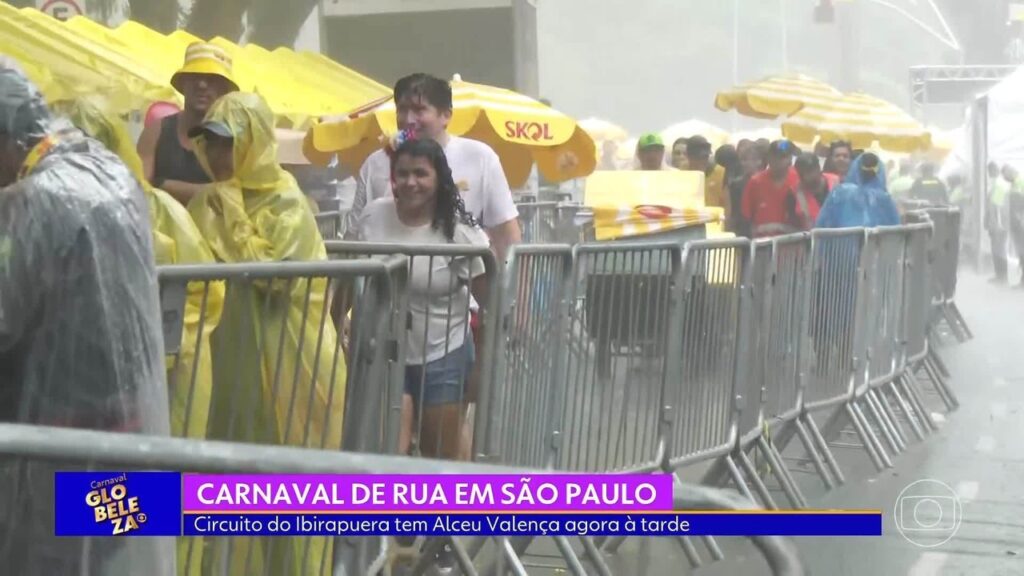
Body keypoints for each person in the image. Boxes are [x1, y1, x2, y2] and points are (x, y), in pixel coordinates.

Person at [0, 63, 172, 575]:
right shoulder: (111, 172)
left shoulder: (40, 199)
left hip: (60, 448)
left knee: (50, 562)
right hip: (125, 433)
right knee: (104, 554)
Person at [62, 96, 224, 576]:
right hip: (83, 390)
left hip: (160, 382)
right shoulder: (44, 210)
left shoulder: (158, 211)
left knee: (152, 494)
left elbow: (204, 293)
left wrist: (158, 349)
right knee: (88, 502)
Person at [187, 92, 344, 575]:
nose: (216, 157)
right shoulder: (204, 202)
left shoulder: (288, 203)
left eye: (226, 145)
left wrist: (233, 208)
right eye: (210, 146)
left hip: (294, 366)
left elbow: (276, 278)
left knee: (294, 493)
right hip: (232, 365)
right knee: (224, 491)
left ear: (253, 143)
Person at [358, 136, 489, 459]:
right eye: (402, 174)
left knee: (439, 453)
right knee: (390, 450)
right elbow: (354, 272)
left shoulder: (460, 233)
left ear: (439, 179)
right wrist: (336, 325)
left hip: (444, 353)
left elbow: (490, 299)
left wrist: (479, 370)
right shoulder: (374, 216)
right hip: (389, 351)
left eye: (420, 173)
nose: (410, 182)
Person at [343, 73, 520, 263]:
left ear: (446, 115)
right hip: (386, 287)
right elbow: (353, 236)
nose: (409, 120)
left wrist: (513, 290)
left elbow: (506, 234)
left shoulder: (480, 157)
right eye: (402, 110)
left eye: (419, 110)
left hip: (460, 283)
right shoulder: (375, 163)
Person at [137, 42, 239, 205]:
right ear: (183, 83)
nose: (202, 85)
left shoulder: (233, 142)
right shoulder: (156, 131)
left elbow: (228, 198)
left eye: (211, 79)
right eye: (195, 77)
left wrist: (162, 184)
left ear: (224, 89)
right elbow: (139, 188)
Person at [741, 140, 819, 238]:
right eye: (778, 157)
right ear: (769, 158)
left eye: (785, 157)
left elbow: (809, 216)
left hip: (793, 243)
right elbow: (746, 216)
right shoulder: (755, 182)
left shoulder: (799, 179)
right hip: (762, 244)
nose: (783, 161)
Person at [816, 152, 900, 229]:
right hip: (876, 245)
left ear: (856, 168)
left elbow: (823, 224)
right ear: (880, 172)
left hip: (840, 244)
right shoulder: (885, 199)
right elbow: (895, 231)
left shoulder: (839, 193)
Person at [729, 141, 766, 236]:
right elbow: (734, 211)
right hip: (742, 229)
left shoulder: (766, 182)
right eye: (743, 160)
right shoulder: (736, 184)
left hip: (762, 228)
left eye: (749, 160)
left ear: (759, 161)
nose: (745, 163)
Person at [688, 135, 729, 220]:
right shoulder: (682, 172)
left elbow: (727, 205)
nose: (702, 161)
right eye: (698, 158)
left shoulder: (721, 173)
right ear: (689, 157)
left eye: (705, 157)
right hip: (691, 221)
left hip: (714, 221)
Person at [987, 162, 1010, 284]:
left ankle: (1002, 276)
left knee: (999, 249)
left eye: (991, 170)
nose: (990, 173)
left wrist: (999, 225)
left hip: (999, 225)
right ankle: (999, 275)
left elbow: (998, 207)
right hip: (996, 224)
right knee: (996, 249)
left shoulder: (998, 185)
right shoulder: (995, 185)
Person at [1004, 165, 1024, 287]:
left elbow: (1017, 210)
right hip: (1017, 225)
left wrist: (1019, 221)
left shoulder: (1017, 187)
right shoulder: (1015, 187)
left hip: (1019, 226)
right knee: (1020, 252)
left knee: (1022, 252)